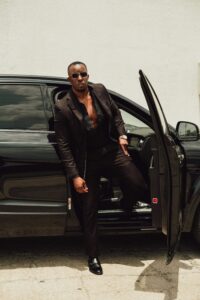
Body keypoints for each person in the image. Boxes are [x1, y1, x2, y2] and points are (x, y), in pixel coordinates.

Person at [54, 61, 148, 275]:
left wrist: (122, 135)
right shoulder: (63, 106)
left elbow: (115, 114)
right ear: (69, 79)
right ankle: (93, 255)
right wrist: (75, 176)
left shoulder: (100, 90)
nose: (80, 78)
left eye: (83, 74)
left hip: (111, 150)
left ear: (88, 75)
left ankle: (126, 204)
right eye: (75, 76)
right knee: (88, 209)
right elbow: (63, 145)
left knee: (137, 183)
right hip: (87, 160)